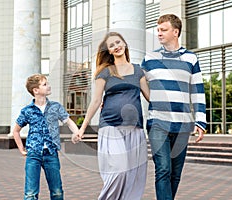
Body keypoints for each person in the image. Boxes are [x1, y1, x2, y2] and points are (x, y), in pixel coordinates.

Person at [76, 32, 150, 200]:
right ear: (108, 51)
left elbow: (149, 96)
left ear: (124, 43)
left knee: (133, 174)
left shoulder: (138, 70)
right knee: (120, 169)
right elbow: (95, 101)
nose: (116, 46)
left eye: (118, 42)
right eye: (111, 45)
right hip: (110, 126)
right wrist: (83, 128)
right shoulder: (105, 72)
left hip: (135, 127)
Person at [141, 14, 207, 200]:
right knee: (163, 169)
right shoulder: (150, 58)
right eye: (158, 29)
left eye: (163, 29)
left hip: (183, 125)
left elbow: (197, 91)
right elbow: (135, 80)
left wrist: (200, 121)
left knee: (175, 174)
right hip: (158, 123)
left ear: (175, 32)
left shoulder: (191, 59)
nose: (159, 33)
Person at [13, 74, 79, 200]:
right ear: (36, 90)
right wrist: (21, 149)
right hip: (33, 154)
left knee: (57, 192)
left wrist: (76, 132)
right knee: (30, 194)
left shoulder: (55, 107)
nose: (48, 86)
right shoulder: (27, 110)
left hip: (51, 154)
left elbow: (68, 121)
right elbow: (16, 131)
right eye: (45, 84)